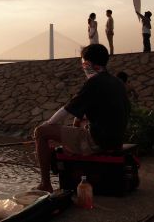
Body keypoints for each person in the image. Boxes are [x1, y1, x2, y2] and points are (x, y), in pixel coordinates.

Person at [33, 44, 130, 192]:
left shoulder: (94, 82)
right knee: (79, 124)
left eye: (83, 62)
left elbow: (67, 109)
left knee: (41, 132)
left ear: (89, 64)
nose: (83, 66)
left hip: (99, 142)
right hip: (116, 140)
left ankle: (45, 184)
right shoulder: (117, 82)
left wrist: (48, 124)